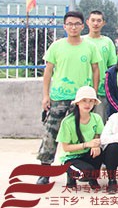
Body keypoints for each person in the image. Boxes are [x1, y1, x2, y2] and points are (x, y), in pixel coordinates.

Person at [37, 10, 100, 185]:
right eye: (70, 24)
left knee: (80, 135)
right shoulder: (56, 46)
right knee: (50, 135)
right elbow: (48, 71)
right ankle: (45, 172)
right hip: (58, 98)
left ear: (82, 26)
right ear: (64, 26)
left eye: (77, 24)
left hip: (81, 100)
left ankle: (73, 171)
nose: (73, 27)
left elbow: (96, 70)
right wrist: (45, 95)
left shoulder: (90, 47)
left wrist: (93, 94)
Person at [56, 86, 104, 189]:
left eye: (91, 101)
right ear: (77, 102)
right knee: (87, 172)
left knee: (100, 152)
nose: (88, 104)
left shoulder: (97, 118)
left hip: (87, 154)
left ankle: (93, 179)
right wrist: (86, 144)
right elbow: (66, 148)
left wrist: (95, 145)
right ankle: (71, 176)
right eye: (84, 100)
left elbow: (97, 136)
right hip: (71, 157)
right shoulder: (68, 122)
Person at [82, 10, 117, 121]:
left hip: (101, 91)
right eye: (93, 20)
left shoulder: (108, 42)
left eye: (98, 21)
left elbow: (112, 66)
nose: (95, 23)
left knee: (99, 121)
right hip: (82, 89)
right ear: (87, 22)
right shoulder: (81, 41)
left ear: (103, 23)